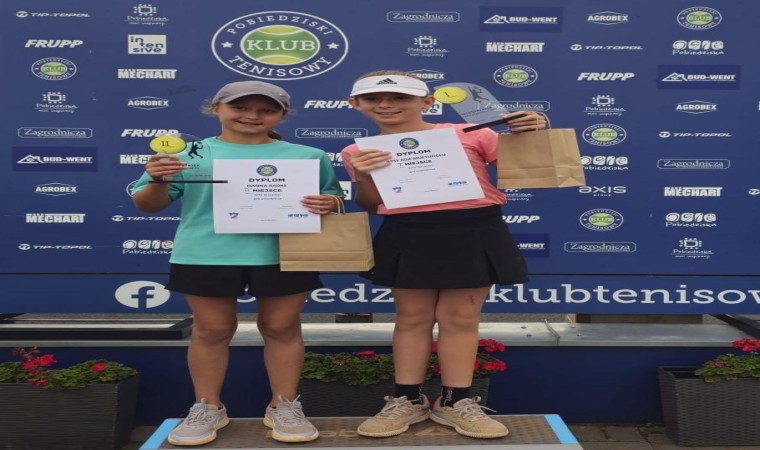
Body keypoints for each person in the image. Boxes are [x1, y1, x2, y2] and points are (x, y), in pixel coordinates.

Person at [131, 80, 344, 446]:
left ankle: (284, 406)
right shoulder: (187, 153)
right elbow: (148, 204)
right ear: (216, 109)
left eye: (266, 110)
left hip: (285, 253)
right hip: (205, 254)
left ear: (281, 115)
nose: (252, 116)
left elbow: (334, 199)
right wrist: (156, 180)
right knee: (211, 330)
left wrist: (329, 203)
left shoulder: (308, 155)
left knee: (282, 328)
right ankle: (207, 406)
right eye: (240, 107)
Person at [340, 70, 546, 439]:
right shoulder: (357, 151)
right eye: (373, 98)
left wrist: (533, 130)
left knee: (461, 319)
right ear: (355, 104)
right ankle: (407, 400)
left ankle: (455, 402)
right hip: (408, 231)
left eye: (400, 97)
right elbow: (370, 204)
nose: (386, 104)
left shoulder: (472, 133)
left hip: (473, 228)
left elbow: (532, 167)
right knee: (412, 318)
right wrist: (365, 176)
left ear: (427, 102)